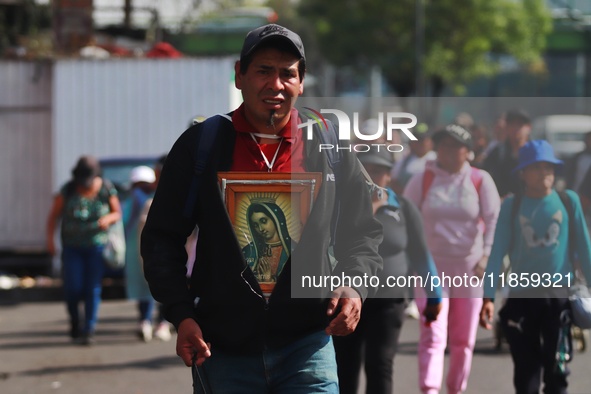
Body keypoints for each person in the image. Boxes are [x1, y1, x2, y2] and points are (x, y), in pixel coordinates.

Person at [140, 23, 383, 393]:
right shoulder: (201, 145)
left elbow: (363, 233)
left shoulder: (329, 144)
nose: (276, 84)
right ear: (239, 75)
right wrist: (181, 314)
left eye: (288, 73)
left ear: (301, 82)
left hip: (308, 347)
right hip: (221, 352)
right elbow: (161, 238)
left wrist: (354, 287)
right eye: (263, 71)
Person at [480, 140, 591, 394]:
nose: (544, 173)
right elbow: (497, 252)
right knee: (526, 375)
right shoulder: (512, 205)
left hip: (558, 298)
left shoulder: (568, 200)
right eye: (537, 167)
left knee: (557, 373)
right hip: (522, 298)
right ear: (523, 173)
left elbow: (585, 249)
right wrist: (487, 296)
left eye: (549, 167)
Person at [333, 148, 442, 394]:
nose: (372, 175)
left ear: (389, 176)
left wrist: (434, 295)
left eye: (379, 170)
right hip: (348, 298)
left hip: (389, 301)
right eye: (367, 169)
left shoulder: (403, 208)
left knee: (380, 363)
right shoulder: (341, 205)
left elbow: (421, 254)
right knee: (345, 365)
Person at [404, 124, 501, 394]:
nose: (446, 150)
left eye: (454, 145)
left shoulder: (480, 180)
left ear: (468, 151)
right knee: (433, 334)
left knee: (462, 339)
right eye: (442, 144)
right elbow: (407, 217)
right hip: (430, 269)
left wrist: (486, 256)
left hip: (469, 270)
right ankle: (430, 389)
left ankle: (455, 389)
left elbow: (495, 221)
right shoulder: (422, 179)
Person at [46, 156, 122, 345]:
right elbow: (53, 217)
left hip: (96, 246)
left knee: (92, 288)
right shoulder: (69, 189)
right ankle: (74, 321)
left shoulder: (106, 188)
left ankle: (89, 329)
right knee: (73, 287)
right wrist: (50, 241)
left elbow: (117, 212)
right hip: (72, 247)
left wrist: (108, 219)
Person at [124, 165, 157, 342]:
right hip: (154, 247)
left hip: (135, 249)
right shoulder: (158, 197)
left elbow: (125, 222)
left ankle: (145, 320)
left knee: (143, 284)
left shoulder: (132, 199)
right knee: (152, 284)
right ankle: (157, 322)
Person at [243, 201, 294, 294]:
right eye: (255, 225)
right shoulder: (248, 251)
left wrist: (270, 280)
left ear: (276, 219)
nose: (261, 229)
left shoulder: (295, 250)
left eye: (263, 221)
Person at [482, 109, 531, 198]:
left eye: (520, 125)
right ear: (506, 127)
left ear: (529, 128)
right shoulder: (497, 153)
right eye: (512, 124)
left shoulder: (535, 153)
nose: (516, 129)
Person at [390, 123, 436, 195]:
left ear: (430, 142)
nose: (419, 143)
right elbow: (393, 180)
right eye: (416, 139)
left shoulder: (435, 159)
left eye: (422, 140)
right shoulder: (404, 160)